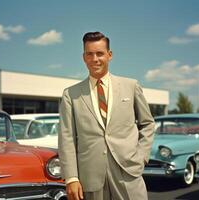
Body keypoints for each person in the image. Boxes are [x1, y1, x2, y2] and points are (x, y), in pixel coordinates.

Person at [58, 31, 155, 200]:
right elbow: (67, 138)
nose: (95, 59)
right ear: (84, 57)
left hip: (128, 171)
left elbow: (147, 124)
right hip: (90, 177)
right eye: (90, 54)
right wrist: (71, 177)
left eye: (100, 53)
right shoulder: (70, 94)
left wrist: (141, 157)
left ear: (109, 55)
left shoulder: (131, 86)